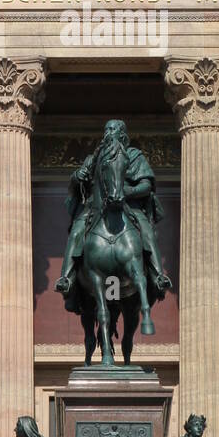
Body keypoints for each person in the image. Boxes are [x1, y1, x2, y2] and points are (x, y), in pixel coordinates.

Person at [56, 118, 170, 301]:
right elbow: (75, 184)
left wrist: (129, 191)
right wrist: (78, 176)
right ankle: (66, 279)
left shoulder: (134, 155)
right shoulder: (93, 157)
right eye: (107, 129)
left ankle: (158, 277)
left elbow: (146, 186)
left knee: (147, 232)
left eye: (113, 129)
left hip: (129, 205)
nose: (109, 132)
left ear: (122, 134)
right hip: (95, 207)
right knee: (76, 232)